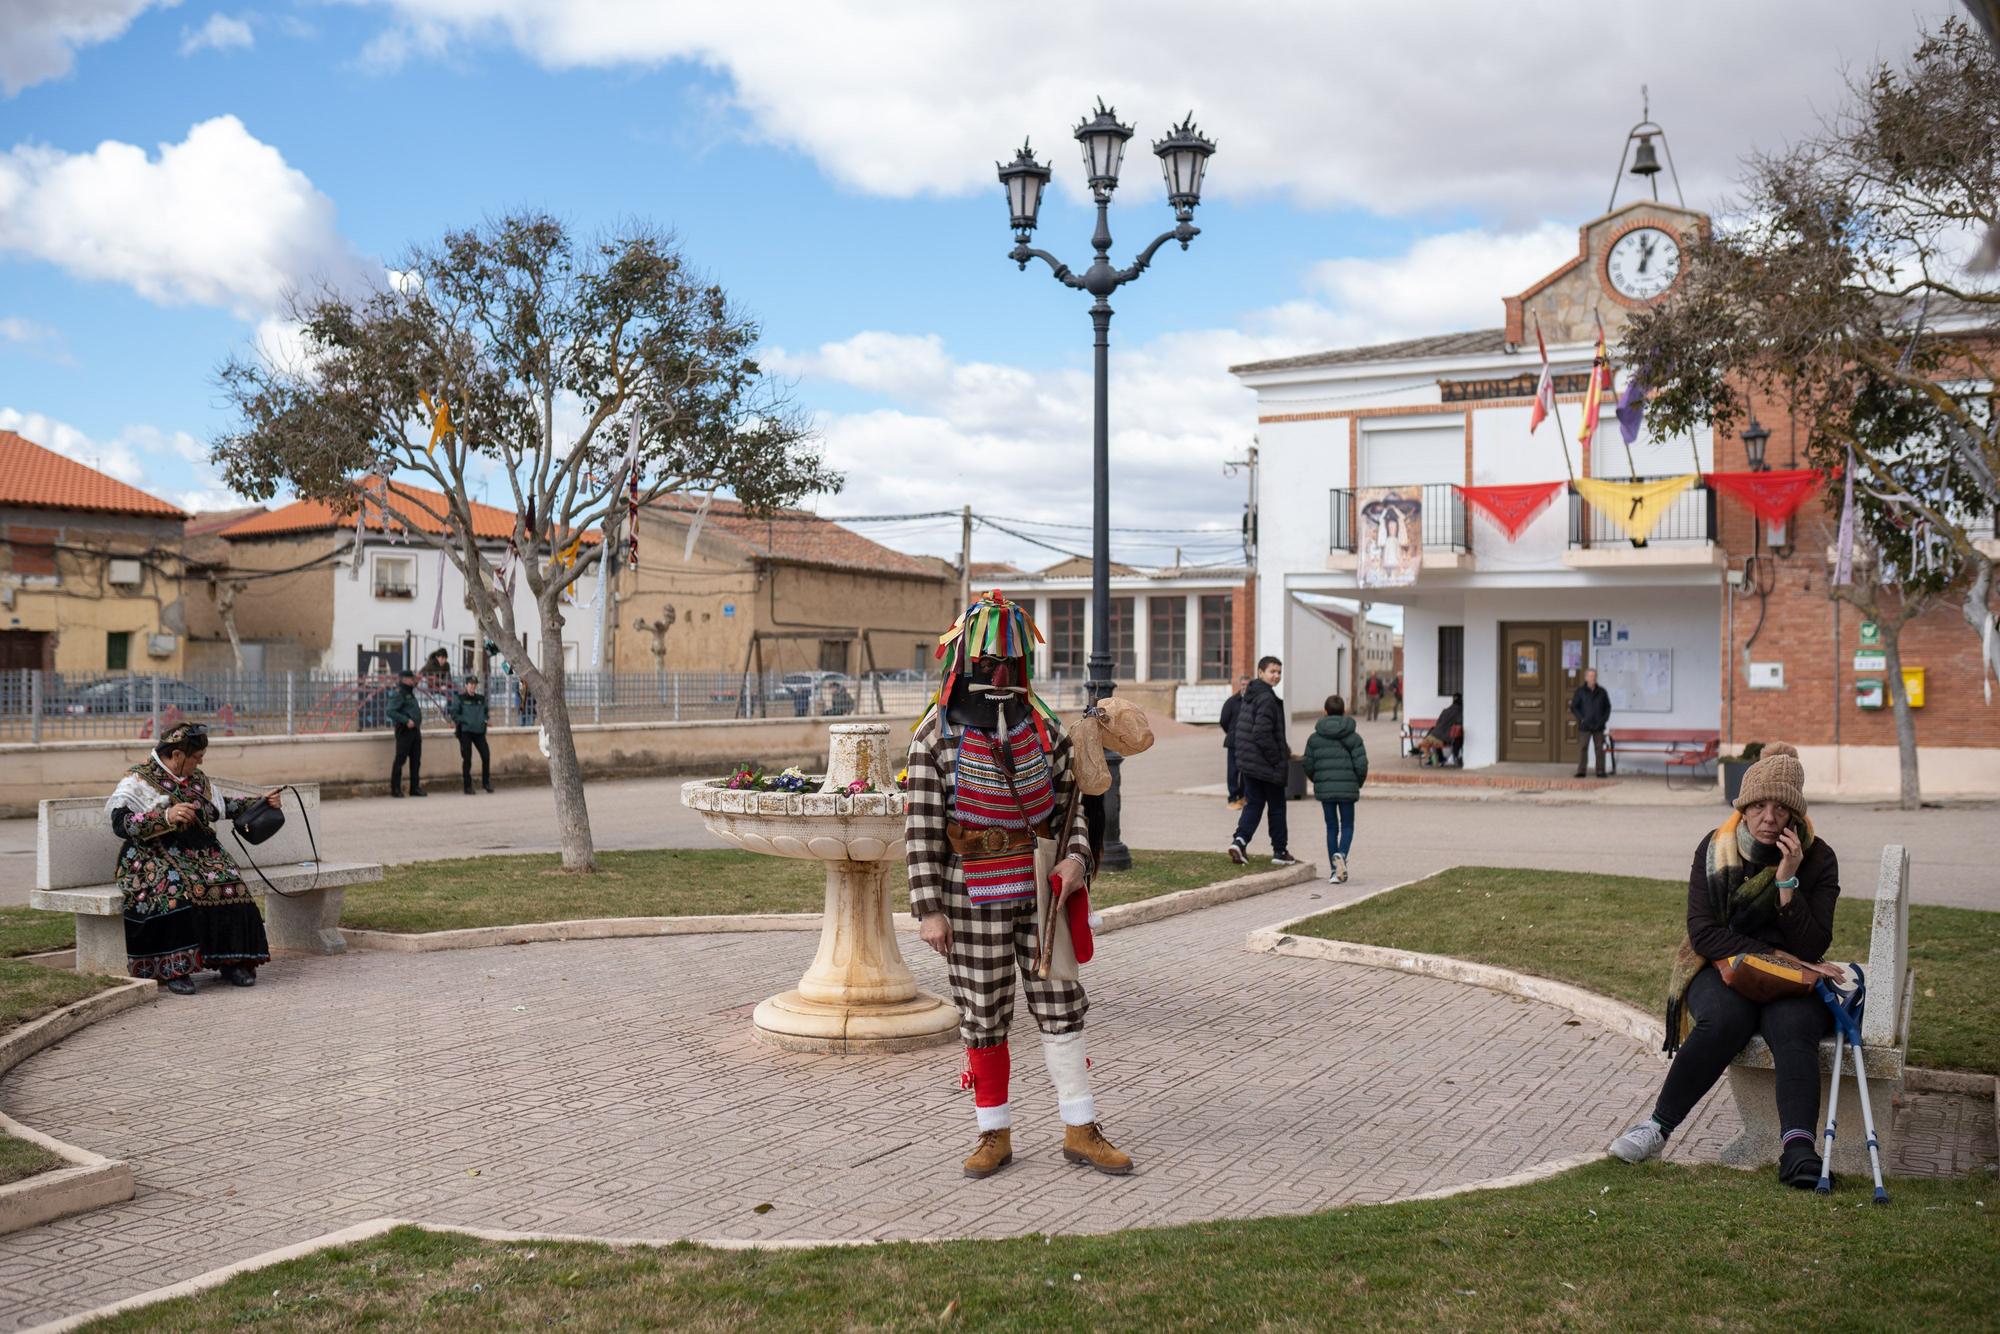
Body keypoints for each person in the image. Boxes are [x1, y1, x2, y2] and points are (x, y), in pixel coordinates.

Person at [905, 592, 1131, 1180]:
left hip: (1043, 892)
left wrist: (1077, 860)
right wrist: (929, 909)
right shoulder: (934, 737)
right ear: (965, 662)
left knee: (1061, 1005)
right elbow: (922, 830)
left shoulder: (1044, 728)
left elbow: (1069, 812)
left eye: (1009, 662)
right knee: (983, 1013)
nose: (998, 674)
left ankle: (1081, 1127)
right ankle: (993, 1132)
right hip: (967, 896)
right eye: (988, 663)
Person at [1610, 743, 1842, 1188]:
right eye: (1758, 805)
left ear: (1795, 815)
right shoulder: (1715, 849)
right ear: (1744, 806)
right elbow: (1704, 933)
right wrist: (1769, 955)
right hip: (1719, 968)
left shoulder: (1818, 859)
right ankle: (1657, 1127)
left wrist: (1788, 881)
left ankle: (1798, 1150)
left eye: (1780, 808)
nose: (1769, 818)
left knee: (1794, 1027)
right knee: (1725, 1019)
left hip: (1789, 981)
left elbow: (1813, 943)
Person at [105, 722, 277, 994]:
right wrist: (165, 817)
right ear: (176, 755)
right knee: (178, 890)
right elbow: (120, 823)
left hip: (198, 853)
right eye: (196, 758)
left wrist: (261, 803)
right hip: (151, 854)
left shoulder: (197, 781)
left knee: (231, 885)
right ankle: (174, 968)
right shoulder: (138, 779)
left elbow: (224, 807)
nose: (199, 764)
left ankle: (232, 962)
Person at [1227, 656, 1298, 868]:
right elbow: (1261, 733)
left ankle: (1239, 841)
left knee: (1254, 803)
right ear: (1260, 672)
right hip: (1266, 764)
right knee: (1277, 807)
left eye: (1279, 672)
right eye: (1272, 671)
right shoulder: (1266, 698)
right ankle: (1280, 850)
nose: (1276, 675)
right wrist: (1277, 759)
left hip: (1250, 763)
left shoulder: (1251, 695)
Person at [1302, 694, 1367, 884]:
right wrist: (1357, 782)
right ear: (1344, 711)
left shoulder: (1314, 738)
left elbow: (1308, 764)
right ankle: (1342, 854)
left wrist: (1318, 780)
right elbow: (1362, 764)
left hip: (1326, 789)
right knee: (1347, 825)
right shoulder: (1354, 737)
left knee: (1331, 827)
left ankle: (1333, 871)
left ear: (1325, 712)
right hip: (1347, 788)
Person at [386, 669, 426, 797]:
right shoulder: (399, 693)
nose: (414, 681)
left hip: (415, 731)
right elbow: (390, 711)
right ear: (404, 680)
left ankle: (414, 788)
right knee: (400, 759)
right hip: (404, 731)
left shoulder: (409, 692)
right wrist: (406, 720)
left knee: (416, 760)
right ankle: (395, 789)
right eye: (411, 679)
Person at [450, 674, 492, 794]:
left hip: (479, 732)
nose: (473, 686)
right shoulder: (460, 698)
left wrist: (485, 720)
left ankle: (486, 783)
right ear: (466, 685)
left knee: (486, 756)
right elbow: (454, 714)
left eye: (475, 684)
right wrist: (464, 721)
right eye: (471, 684)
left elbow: (485, 712)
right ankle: (467, 786)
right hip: (465, 732)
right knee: (467, 759)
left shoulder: (481, 698)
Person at [1570, 666, 1612, 778]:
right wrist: (1582, 719)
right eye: (1590, 676)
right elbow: (1574, 707)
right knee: (1583, 748)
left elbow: (1608, 707)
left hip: (1599, 725)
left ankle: (1600, 771)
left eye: (1594, 676)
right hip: (1585, 726)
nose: (1593, 678)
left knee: (1599, 749)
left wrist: (1604, 719)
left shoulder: (1602, 692)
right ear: (1586, 678)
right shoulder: (1580, 692)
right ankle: (1581, 771)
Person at [1218, 675, 1249, 808]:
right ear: (1239, 685)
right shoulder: (1231, 702)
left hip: (1248, 743)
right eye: (1243, 684)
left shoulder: (1252, 701)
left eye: (1247, 684)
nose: (1245, 687)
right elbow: (1224, 721)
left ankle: (1243, 796)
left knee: (1245, 771)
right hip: (1234, 742)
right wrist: (1231, 733)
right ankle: (1233, 797)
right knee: (1233, 771)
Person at [1415, 693, 1463, 766]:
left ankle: (1438, 759)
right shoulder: (1460, 711)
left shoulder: (1445, 710)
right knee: (1459, 738)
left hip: (1434, 735)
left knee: (1433, 739)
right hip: (1445, 738)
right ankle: (1453, 757)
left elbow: (1438, 723)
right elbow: (1460, 723)